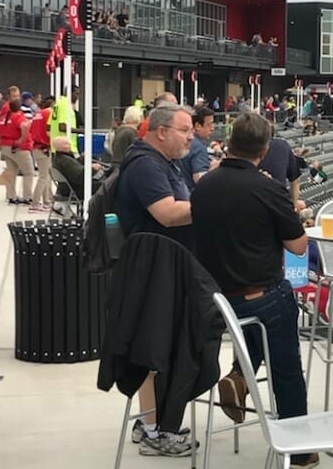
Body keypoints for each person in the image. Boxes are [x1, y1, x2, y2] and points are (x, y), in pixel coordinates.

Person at [190, 113, 317, 469]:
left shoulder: (203, 187)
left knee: (258, 322)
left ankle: (239, 376)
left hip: (214, 300)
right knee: (287, 368)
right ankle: (300, 452)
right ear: (264, 150)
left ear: (229, 144)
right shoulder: (269, 189)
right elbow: (297, 245)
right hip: (259, 296)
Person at [116, 103, 194, 453]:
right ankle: (152, 431)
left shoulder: (162, 161)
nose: (191, 137)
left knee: (163, 349)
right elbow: (166, 213)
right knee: (152, 352)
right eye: (185, 130)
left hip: (164, 266)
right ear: (161, 131)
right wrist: (215, 199)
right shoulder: (146, 165)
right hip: (149, 271)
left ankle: (151, 420)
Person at [0, 98, 34, 204]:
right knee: (28, 173)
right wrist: (21, 139)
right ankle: (28, 197)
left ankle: (11, 196)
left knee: (11, 173)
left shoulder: (3, 119)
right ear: (19, 107)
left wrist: (1, 149)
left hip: (6, 147)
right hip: (18, 148)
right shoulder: (19, 117)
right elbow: (24, 126)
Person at [179, 106, 219, 190]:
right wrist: (214, 169)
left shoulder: (180, 141)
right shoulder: (198, 147)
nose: (212, 128)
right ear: (197, 126)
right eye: (209, 124)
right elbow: (200, 179)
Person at [29, 96, 55, 212]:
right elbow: (50, 130)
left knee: (45, 175)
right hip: (44, 147)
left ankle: (47, 201)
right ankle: (35, 203)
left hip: (36, 146)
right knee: (43, 177)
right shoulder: (49, 113)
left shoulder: (37, 114)